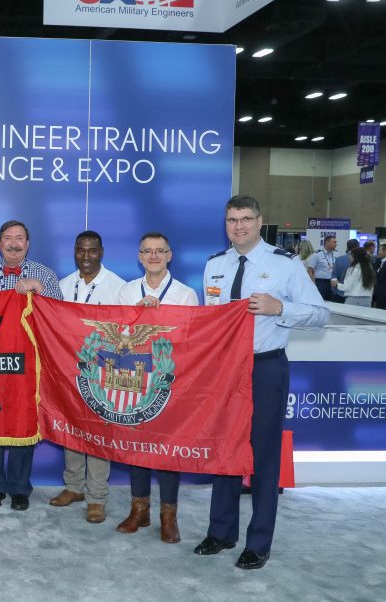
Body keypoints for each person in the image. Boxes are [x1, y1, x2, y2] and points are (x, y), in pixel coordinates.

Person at [194, 195, 328, 570]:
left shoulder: (285, 264)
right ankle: (221, 532)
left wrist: (279, 307)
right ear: (225, 224)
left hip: (264, 367)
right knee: (223, 450)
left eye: (246, 219)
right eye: (232, 220)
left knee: (265, 455)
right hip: (224, 370)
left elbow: (320, 314)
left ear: (259, 221)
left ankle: (259, 542)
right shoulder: (215, 264)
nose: (239, 226)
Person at [114, 232, 198, 544]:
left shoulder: (185, 294)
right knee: (136, 447)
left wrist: (160, 316)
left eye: (159, 251)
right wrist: (136, 314)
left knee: (167, 450)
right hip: (135, 380)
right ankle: (139, 509)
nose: (153, 256)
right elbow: (118, 336)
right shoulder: (126, 291)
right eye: (147, 251)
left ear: (169, 255)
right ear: (139, 256)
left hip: (169, 381)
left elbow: (190, 340)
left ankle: (168, 515)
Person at [0, 220, 62, 511]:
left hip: (27, 365)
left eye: (20, 238)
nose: (14, 244)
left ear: (28, 243)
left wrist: (40, 290)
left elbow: (59, 315)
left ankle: (20, 489)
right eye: (8, 238)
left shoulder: (45, 274)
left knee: (23, 422)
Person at [50, 230, 126, 524]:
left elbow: (124, 332)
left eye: (92, 250)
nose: (86, 256)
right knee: (70, 427)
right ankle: (73, 487)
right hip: (68, 369)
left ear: (101, 252)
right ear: (74, 252)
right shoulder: (62, 285)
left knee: (98, 434)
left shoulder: (118, 287)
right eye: (80, 250)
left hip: (101, 372)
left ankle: (96, 497)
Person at [305, 235, 337, 301]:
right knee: (321, 301)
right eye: (334, 242)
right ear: (327, 242)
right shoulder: (317, 254)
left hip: (333, 282)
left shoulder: (336, 253)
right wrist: (313, 284)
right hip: (321, 283)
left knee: (333, 302)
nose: (336, 244)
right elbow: (310, 270)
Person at [331, 239, 360, 303]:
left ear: (347, 247)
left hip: (339, 293)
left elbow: (334, 277)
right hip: (355, 295)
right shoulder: (363, 261)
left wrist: (335, 288)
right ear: (358, 247)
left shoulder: (339, 259)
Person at [374, 243, 386, 310]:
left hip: (385, 295)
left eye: (380, 250)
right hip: (380, 294)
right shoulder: (381, 261)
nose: (378, 252)